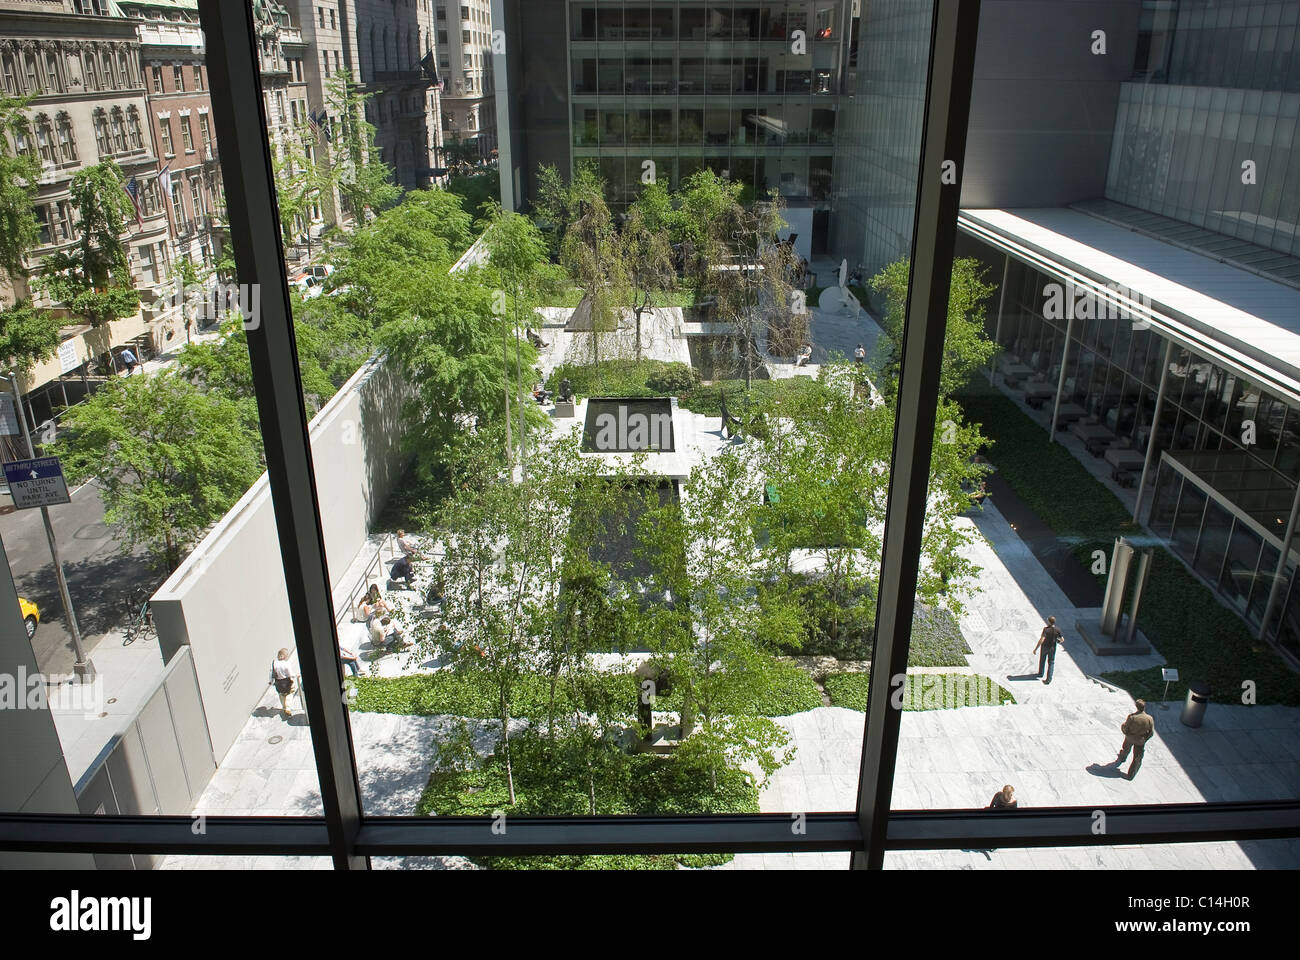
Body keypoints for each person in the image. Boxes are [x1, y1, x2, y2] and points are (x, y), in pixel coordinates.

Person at [1114, 699, 1156, 780]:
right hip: (1140, 740)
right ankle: (1131, 775)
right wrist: (1145, 739)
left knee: (1126, 749)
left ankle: (1122, 758)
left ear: (1136, 707)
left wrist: (1125, 732)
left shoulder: (1132, 717)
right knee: (1137, 758)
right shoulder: (1149, 718)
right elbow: (1151, 733)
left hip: (1130, 738)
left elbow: (1125, 727)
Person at [1033, 615, 1064, 684]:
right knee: (1051, 662)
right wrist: (1057, 641)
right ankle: (1048, 679)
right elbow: (1062, 639)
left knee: (1042, 660)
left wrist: (1036, 648)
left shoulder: (1046, 629)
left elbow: (1042, 639)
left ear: (1049, 622)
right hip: (1052, 648)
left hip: (1045, 647)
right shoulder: (1057, 629)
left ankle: (1041, 673)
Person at [270, 648, 295, 717]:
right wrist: (294, 676)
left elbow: (271, 673)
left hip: (278, 682)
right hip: (286, 681)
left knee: (281, 695)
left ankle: (284, 707)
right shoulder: (286, 664)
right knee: (289, 693)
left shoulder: (274, 662)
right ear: (285, 656)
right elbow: (290, 674)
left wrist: (271, 682)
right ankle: (288, 708)